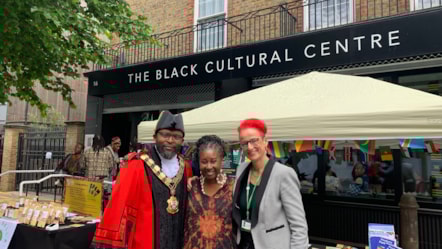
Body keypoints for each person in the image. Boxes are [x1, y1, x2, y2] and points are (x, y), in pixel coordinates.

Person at [93, 110, 192, 249]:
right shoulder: (137, 165)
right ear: (154, 137)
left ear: (182, 140)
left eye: (176, 136)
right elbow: (120, 209)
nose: (170, 140)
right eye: (165, 135)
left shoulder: (186, 168)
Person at [232, 118, 309, 249]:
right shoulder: (241, 169)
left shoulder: (283, 174)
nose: (249, 147)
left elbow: (299, 226)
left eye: (254, 140)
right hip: (243, 244)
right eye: (244, 143)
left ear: (265, 141)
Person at [184, 135, 236, 249]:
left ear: (222, 160)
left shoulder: (233, 187)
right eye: (204, 162)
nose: (209, 166)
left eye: (213, 161)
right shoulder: (191, 186)